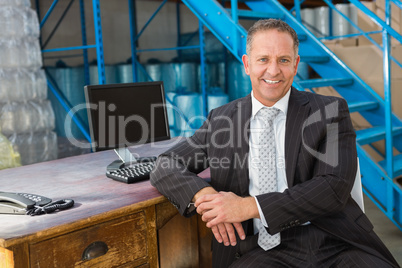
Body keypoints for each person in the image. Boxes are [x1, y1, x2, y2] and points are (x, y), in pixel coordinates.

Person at [150, 19, 399, 267]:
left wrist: (248, 207)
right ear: (247, 64)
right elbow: (166, 164)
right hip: (260, 249)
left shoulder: (329, 112)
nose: (273, 70)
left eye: (283, 60)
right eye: (263, 59)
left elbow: (332, 189)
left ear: (295, 65)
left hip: (333, 240)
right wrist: (205, 195)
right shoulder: (222, 120)